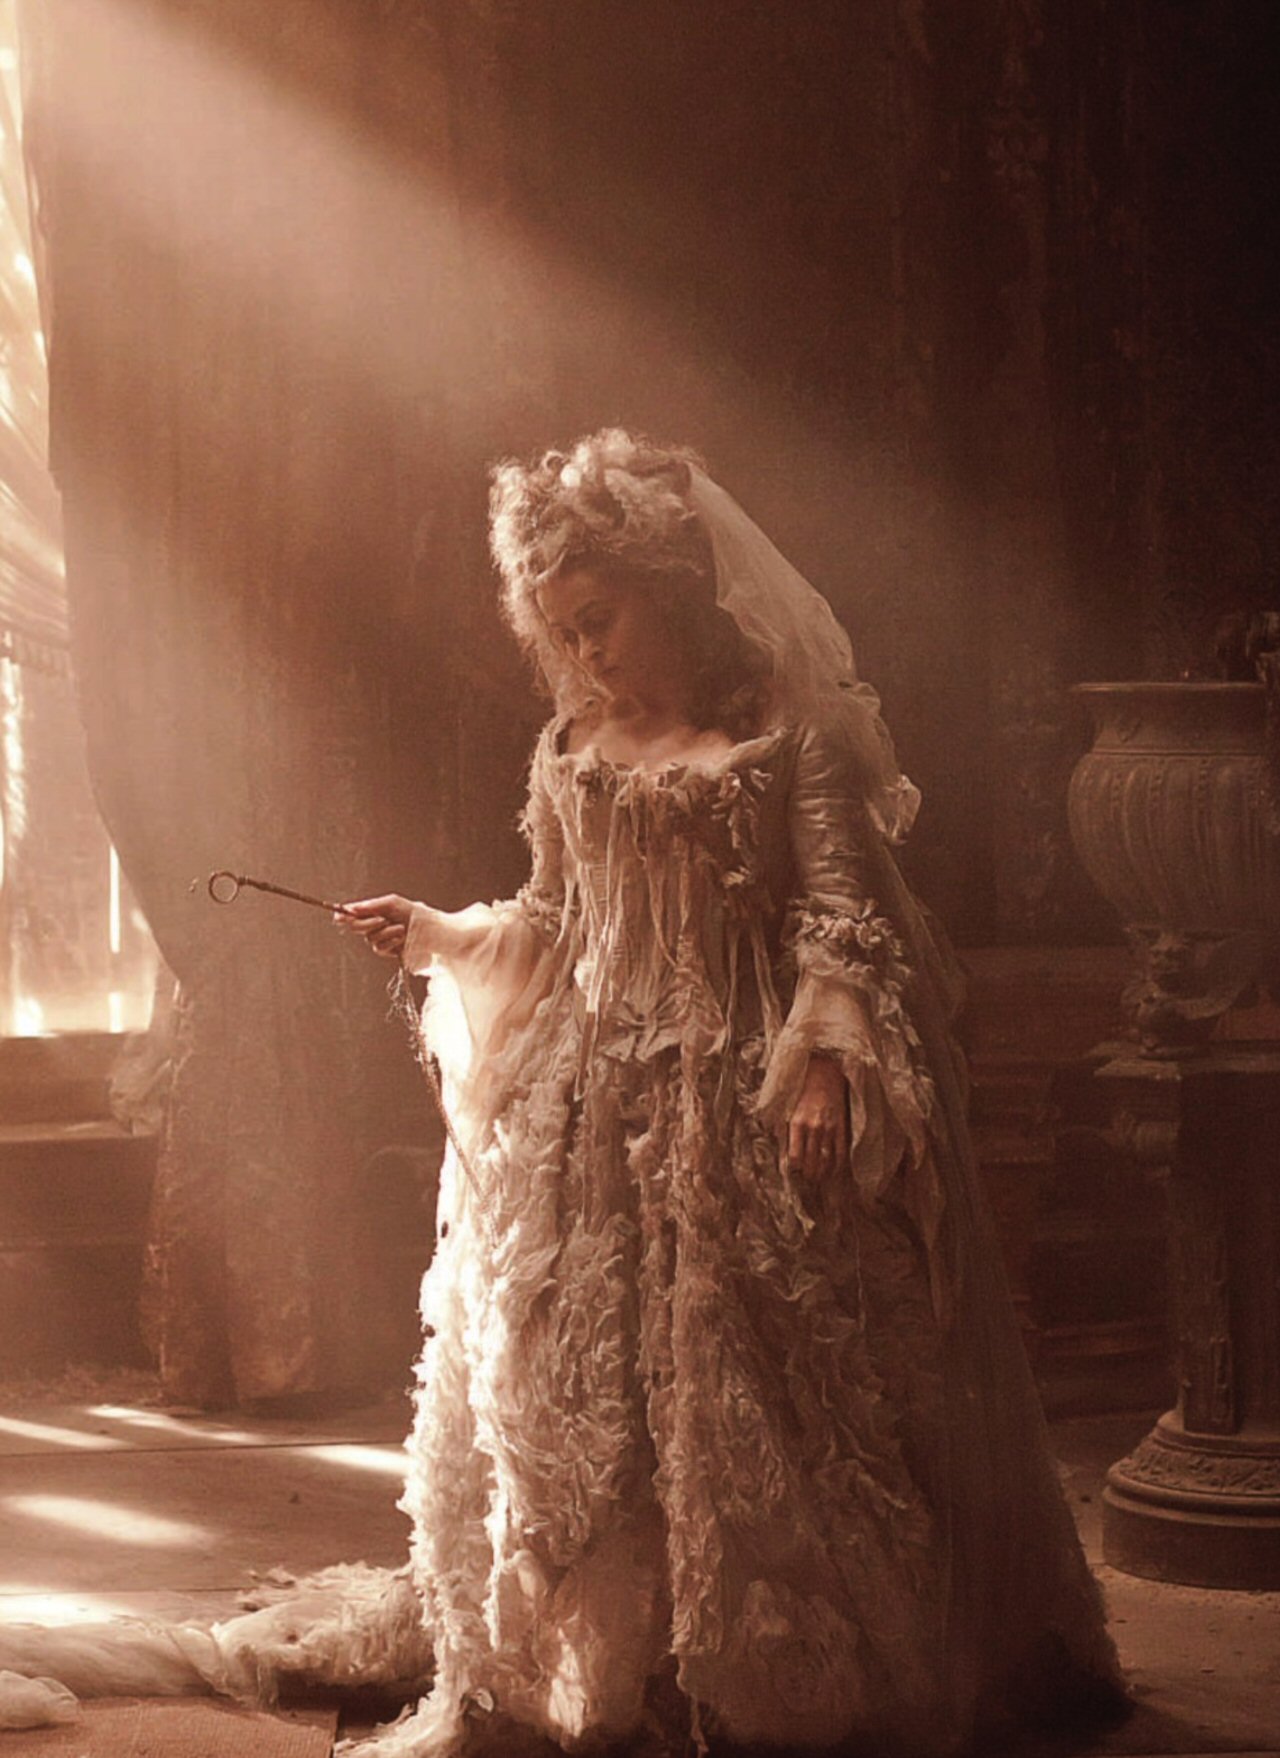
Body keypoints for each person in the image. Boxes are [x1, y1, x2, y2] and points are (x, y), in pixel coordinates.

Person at [0, 430, 1122, 1757]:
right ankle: (597, 1663)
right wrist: (435, 931)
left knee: (758, 1398)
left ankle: (753, 1674)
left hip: (739, 1095)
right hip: (586, 1100)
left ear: (673, 590)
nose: (585, 654)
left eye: (603, 621)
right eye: (564, 631)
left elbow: (843, 920)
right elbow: (551, 917)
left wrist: (824, 1057)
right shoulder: (571, 746)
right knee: (569, 1392)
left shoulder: (789, 740)